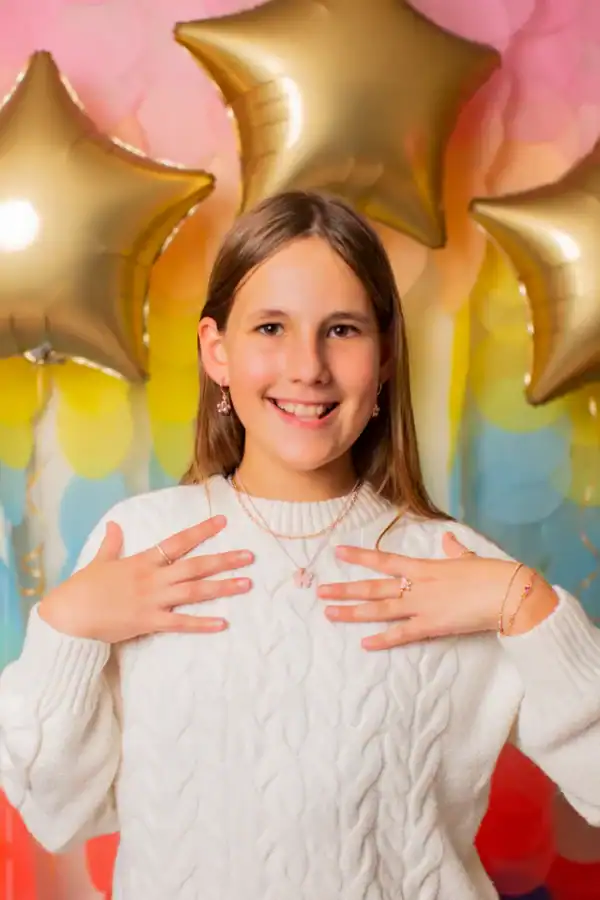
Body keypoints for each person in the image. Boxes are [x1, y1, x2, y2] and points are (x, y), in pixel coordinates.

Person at [1, 191, 599, 900]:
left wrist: (527, 605)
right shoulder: (142, 542)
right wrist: (64, 629)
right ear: (216, 352)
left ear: (383, 361)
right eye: (271, 327)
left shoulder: (456, 566)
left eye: (342, 330)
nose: (307, 366)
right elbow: (57, 812)